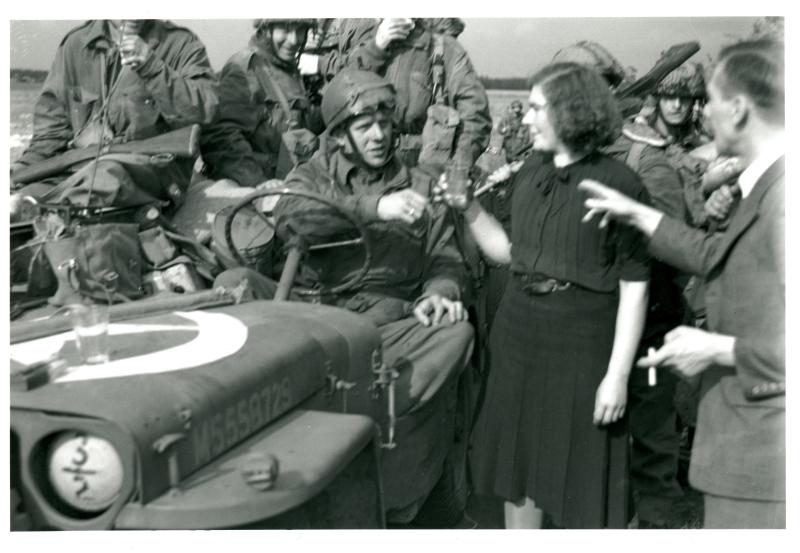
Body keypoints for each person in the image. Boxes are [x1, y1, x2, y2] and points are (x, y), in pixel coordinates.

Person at [213, 69, 475, 528]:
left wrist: (440, 293)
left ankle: (372, 425)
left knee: (456, 331)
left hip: (385, 329)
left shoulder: (420, 182)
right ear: (337, 136)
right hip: (309, 314)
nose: (378, 135)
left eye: (385, 123)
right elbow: (293, 219)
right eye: (363, 126)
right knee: (231, 283)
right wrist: (375, 209)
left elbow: (445, 260)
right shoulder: (311, 175)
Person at [579, 38, 785, 528]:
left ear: (737, 110)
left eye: (708, 100)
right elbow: (714, 252)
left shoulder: (782, 200)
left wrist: (720, 350)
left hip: (760, 456)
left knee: (651, 440)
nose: (701, 113)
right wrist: (641, 216)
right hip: (742, 448)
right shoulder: (768, 187)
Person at [454, 62, 650, 529]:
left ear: (571, 112)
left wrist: (617, 376)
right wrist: (470, 208)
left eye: (536, 107)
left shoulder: (620, 183)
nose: (525, 117)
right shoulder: (531, 172)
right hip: (519, 333)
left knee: (582, 473)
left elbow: (635, 287)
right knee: (518, 465)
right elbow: (508, 253)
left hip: (582, 343)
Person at [554, 40, 689, 528]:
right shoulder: (555, 160)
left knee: (651, 451)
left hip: (647, 329)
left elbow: (679, 248)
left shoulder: (645, 160)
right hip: (583, 332)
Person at [10, 19, 218, 215]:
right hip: (79, 169)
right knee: (21, 197)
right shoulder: (75, 45)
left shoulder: (182, 44)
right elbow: (51, 133)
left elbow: (205, 111)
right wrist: (21, 169)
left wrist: (152, 67)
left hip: (151, 171)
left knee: (106, 178)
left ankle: (54, 216)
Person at [334, 18, 492, 169]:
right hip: (366, 166)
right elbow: (337, 99)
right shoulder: (365, 44)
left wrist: (457, 170)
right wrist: (376, 48)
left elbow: (475, 117)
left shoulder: (444, 49)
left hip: (420, 169)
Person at [200, 19, 323, 186]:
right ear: (266, 29)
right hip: (255, 187)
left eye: (300, 30)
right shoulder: (246, 67)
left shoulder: (285, 67)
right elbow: (221, 139)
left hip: (291, 178)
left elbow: (295, 120)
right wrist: (259, 185)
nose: (294, 40)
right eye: (285, 28)